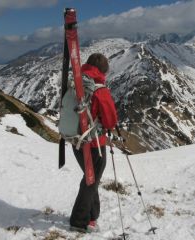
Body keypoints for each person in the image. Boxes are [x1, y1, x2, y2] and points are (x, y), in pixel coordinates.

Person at [70, 53, 118, 232]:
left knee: (92, 179)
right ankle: (78, 221)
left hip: (75, 140)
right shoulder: (100, 90)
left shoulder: (76, 83)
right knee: (91, 181)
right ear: (103, 70)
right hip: (94, 144)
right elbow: (110, 120)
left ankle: (92, 216)